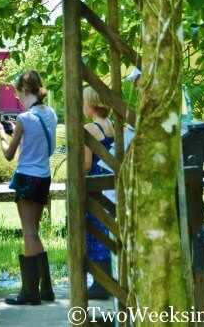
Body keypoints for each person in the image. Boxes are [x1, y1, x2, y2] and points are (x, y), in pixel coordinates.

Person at [0, 71, 58, 306]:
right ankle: (46, 288)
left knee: (28, 232)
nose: (17, 97)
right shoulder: (50, 114)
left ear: (24, 91)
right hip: (44, 177)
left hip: (26, 177)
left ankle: (30, 292)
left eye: (17, 92)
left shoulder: (24, 119)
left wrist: (1, 134)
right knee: (35, 231)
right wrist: (16, 132)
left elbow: (9, 154)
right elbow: (46, 146)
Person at [81, 86, 115, 300]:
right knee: (108, 227)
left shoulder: (90, 129)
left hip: (94, 184)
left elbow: (85, 165)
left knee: (94, 229)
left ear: (91, 104)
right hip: (110, 183)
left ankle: (100, 282)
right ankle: (110, 278)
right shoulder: (111, 126)